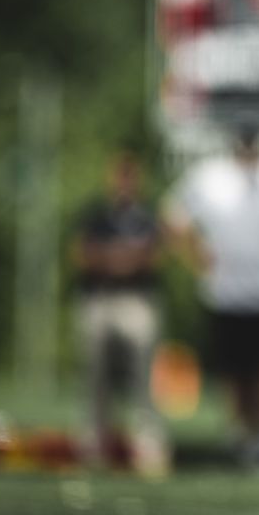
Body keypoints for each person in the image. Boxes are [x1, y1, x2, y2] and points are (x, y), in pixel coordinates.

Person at [163, 121, 259, 467]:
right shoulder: (211, 176)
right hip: (229, 292)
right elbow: (173, 219)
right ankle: (244, 437)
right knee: (238, 371)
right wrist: (198, 258)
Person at [70, 151, 171, 476]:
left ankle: (147, 441)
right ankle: (94, 438)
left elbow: (154, 256)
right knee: (94, 370)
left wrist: (114, 259)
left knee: (144, 372)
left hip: (136, 300)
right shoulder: (96, 214)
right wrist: (123, 259)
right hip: (100, 299)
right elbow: (83, 255)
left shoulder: (148, 216)